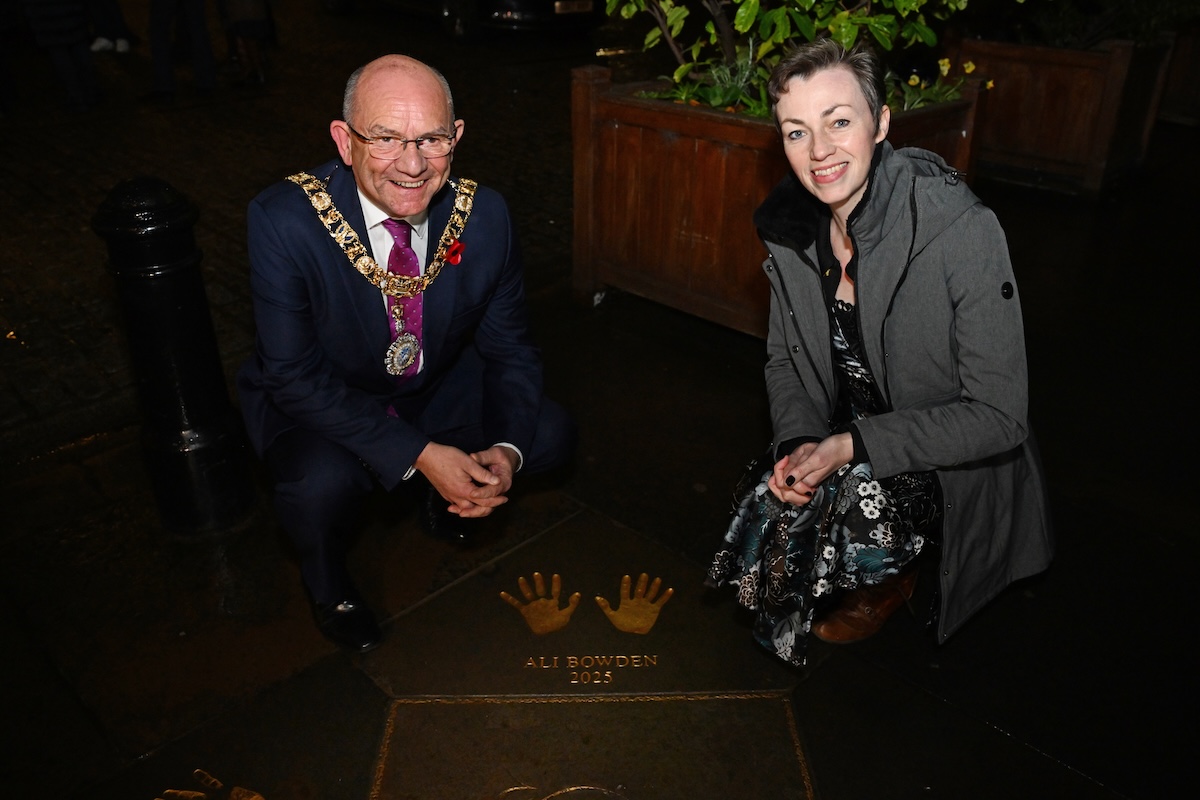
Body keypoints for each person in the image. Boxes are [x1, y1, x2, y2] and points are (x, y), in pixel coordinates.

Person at [706, 39, 1054, 668]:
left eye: (839, 122)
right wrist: (798, 442)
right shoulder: (793, 233)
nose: (819, 152)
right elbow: (787, 363)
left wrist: (850, 446)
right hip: (852, 422)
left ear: (882, 123)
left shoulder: (960, 230)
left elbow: (1001, 415)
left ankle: (897, 573)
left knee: (858, 504)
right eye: (796, 132)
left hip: (950, 451)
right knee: (770, 495)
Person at [237, 54, 575, 653]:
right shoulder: (284, 220)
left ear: (457, 137)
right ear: (345, 141)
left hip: (432, 387)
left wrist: (505, 453)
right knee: (318, 485)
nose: (413, 165)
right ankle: (328, 581)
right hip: (326, 401)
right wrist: (419, 453)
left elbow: (511, 348)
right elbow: (291, 376)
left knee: (547, 432)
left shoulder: (485, 214)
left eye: (432, 139)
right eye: (387, 139)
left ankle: (447, 496)